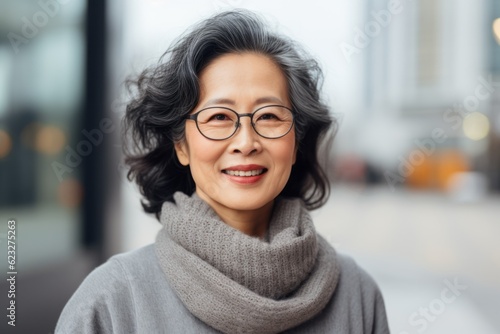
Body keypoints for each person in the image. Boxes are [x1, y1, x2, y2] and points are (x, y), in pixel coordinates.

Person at [56, 10, 389, 334]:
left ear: (297, 141)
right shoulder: (111, 302)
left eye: (269, 116)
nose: (246, 142)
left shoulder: (357, 295)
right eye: (219, 117)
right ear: (181, 145)